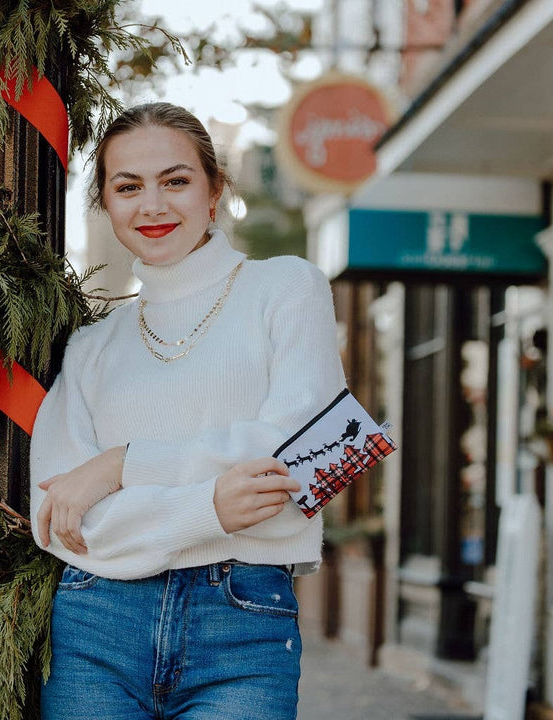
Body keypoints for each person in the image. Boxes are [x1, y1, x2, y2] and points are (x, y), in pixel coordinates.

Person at [29, 101, 346, 720]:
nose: (152, 206)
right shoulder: (93, 346)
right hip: (95, 624)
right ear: (105, 204)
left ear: (214, 191)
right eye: (128, 187)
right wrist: (208, 506)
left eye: (175, 181)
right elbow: (61, 517)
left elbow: (303, 456)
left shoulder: (287, 289)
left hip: (243, 625)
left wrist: (121, 467)